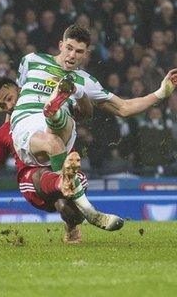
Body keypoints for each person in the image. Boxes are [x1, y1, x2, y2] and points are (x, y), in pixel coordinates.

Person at [11, 24, 177, 229]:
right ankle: (91, 213)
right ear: (60, 45)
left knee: (59, 130)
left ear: (86, 54)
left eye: (79, 51)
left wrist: (161, 92)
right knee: (58, 127)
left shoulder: (87, 80)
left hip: (57, 134)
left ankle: (55, 109)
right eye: (69, 48)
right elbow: (15, 99)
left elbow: (124, 108)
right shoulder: (31, 60)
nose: (72, 55)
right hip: (26, 123)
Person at [0, 77, 116, 242]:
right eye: (3, 105)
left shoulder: (49, 104)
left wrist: (79, 91)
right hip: (34, 182)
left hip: (66, 170)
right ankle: (66, 184)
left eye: (9, 98)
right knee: (40, 173)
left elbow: (87, 112)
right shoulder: (4, 132)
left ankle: (72, 223)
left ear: (20, 88)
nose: (9, 106)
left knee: (66, 207)